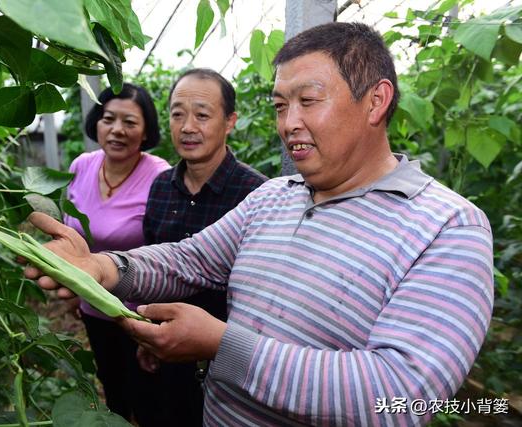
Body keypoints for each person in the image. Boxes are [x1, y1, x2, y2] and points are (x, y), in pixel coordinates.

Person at [26, 22, 494, 426]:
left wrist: (220, 344)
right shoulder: (273, 196)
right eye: (278, 105)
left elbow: (400, 398)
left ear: (375, 102)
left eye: (308, 101)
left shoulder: (448, 228)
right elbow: (187, 260)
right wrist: (103, 269)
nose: (289, 123)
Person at [136, 68, 267, 427]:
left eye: (202, 115)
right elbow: (155, 266)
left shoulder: (257, 195)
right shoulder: (161, 186)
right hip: (166, 352)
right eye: (178, 114)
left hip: (228, 363)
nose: (188, 126)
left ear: (230, 122)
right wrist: (148, 334)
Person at [63, 83, 169, 421]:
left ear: (146, 131)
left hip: (139, 316)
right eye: (109, 119)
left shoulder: (159, 176)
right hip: (92, 308)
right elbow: (70, 229)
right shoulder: (81, 165)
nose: (117, 130)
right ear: (97, 122)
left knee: (147, 400)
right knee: (112, 391)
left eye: (130, 122)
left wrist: (153, 323)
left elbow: (168, 251)